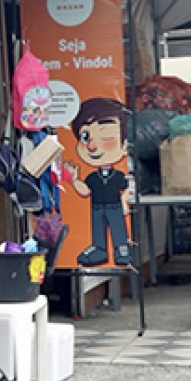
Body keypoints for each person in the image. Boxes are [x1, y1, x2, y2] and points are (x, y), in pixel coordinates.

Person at [59, 97, 132, 267]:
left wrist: (125, 201)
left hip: (115, 206)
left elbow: (128, 187)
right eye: (85, 137)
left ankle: (122, 249)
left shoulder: (119, 176)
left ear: (124, 146)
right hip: (97, 207)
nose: (92, 146)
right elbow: (85, 191)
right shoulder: (92, 177)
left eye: (106, 136)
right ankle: (99, 250)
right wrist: (75, 179)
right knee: (98, 229)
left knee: (118, 229)